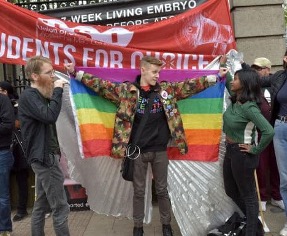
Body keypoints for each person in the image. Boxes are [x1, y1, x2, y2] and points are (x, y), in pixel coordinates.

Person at [64, 56, 228, 236]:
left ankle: (166, 226)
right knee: (139, 192)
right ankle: (138, 228)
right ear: (143, 70)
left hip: (160, 151)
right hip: (137, 152)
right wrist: (75, 73)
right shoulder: (127, 91)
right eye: (154, 72)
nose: (157, 76)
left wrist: (215, 77)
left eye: (159, 72)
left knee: (162, 190)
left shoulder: (166, 90)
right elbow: (101, 86)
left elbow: (189, 86)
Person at [18, 56, 70, 236]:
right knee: (61, 206)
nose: (53, 76)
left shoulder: (39, 94)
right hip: (44, 157)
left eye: (53, 72)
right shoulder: (29, 96)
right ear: (34, 76)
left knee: (41, 204)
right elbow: (49, 116)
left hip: (46, 155)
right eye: (49, 73)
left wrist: (67, 73)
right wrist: (57, 91)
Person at [223, 69, 274, 236]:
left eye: (236, 79)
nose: (232, 81)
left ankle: (252, 231)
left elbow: (268, 131)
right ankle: (255, 222)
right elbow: (229, 81)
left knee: (249, 196)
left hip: (242, 154)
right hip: (231, 151)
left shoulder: (250, 108)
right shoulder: (236, 99)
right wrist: (224, 67)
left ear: (244, 84)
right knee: (231, 190)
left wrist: (256, 149)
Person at [241, 58, 284, 212]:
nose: (257, 71)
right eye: (255, 69)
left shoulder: (277, 83)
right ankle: (263, 197)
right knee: (261, 164)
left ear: (267, 69)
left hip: (276, 130)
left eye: (259, 68)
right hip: (259, 133)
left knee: (277, 165)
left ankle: (277, 195)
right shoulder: (253, 87)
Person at [260, 50, 287, 236]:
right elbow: (258, 80)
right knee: (285, 179)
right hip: (280, 128)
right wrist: (235, 66)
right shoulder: (279, 76)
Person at [0, 81, 30, 222]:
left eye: (3, 90)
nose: (1, 93)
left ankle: (22, 209)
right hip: (6, 145)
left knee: (21, 178)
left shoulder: (16, 104)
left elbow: (18, 123)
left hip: (17, 147)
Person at [0, 92, 15, 236]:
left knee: (2, 195)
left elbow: (8, 124)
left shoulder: (3, 99)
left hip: (2, 152)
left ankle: (4, 229)